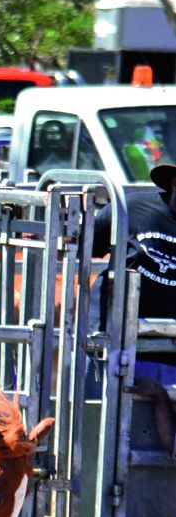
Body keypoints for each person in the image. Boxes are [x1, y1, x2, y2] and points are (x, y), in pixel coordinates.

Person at [91, 163, 176, 459]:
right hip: (118, 351)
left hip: (170, 358)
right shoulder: (131, 208)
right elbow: (84, 247)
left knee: (153, 456)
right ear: (174, 182)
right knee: (107, 445)